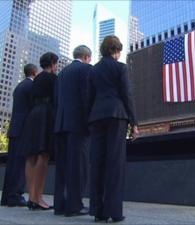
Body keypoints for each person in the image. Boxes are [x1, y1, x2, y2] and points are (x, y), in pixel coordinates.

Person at [88, 35, 139, 223]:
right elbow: (127, 95)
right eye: (119, 51)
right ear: (115, 50)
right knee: (115, 164)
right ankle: (115, 212)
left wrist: (90, 118)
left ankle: (98, 211)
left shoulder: (93, 71)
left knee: (98, 163)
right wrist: (134, 122)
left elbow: (89, 97)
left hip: (96, 117)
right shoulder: (120, 67)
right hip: (116, 116)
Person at [54, 45, 92, 216]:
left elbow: (57, 99)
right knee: (79, 166)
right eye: (90, 58)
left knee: (62, 166)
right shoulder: (85, 69)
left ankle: (60, 205)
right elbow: (86, 96)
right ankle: (75, 205)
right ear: (86, 56)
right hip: (78, 124)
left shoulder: (62, 73)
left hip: (61, 124)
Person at [21, 52, 58, 210]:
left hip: (33, 115)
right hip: (46, 116)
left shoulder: (36, 80)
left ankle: (31, 197)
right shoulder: (53, 79)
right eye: (56, 63)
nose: (57, 66)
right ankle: (38, 198)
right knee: (43, 155)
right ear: (52, 63)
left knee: (31, 156)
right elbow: (57, 99)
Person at [0, 64, 37, 207]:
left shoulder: (19, 87)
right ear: (34, 72)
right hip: (23, 129)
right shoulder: (30, 87)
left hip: (15, 128)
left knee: (12, 164)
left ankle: (7, 197)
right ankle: (15, 195)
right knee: (20, 164)